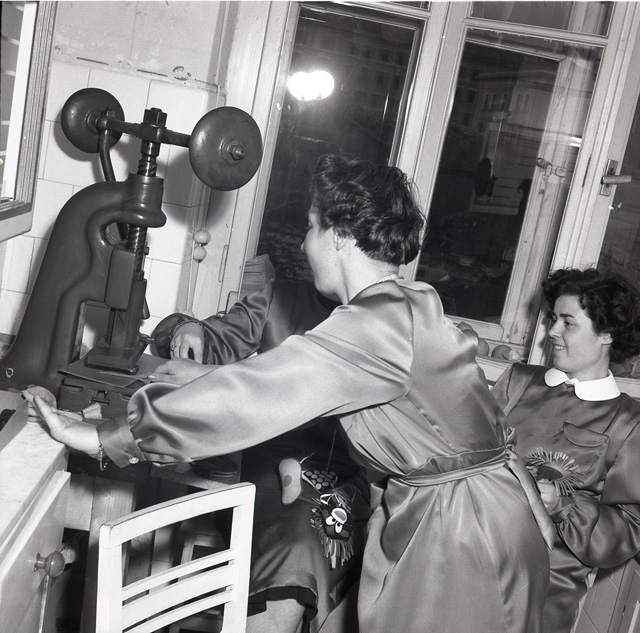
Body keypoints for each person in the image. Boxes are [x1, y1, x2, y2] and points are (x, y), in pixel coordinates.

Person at [26, 154, 550, 633]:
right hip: (480, 517)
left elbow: (254, 394)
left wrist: (107, 436)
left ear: (340, 236)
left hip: (463, 532)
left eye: (311, 226)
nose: (303, 244)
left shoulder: (380, 322)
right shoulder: (411, 302)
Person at [152, 276, 370, 633]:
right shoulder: (281, 296)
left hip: (344, 473)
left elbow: (315, 397)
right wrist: (187, 329)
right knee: (292, 541)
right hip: (260, 465)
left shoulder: (379, 320)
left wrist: (212, 376)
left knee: (315, 543)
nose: (303, 248)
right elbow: (204, 340)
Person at [491, 267, 640, 633]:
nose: (552, 331)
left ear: (606, 333)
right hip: (466, 563)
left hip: (538, 598)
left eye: (568, 323)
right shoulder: (517, 381)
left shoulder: (628, 422)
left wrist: (562, 505)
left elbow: (629, 529)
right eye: (553, 319)